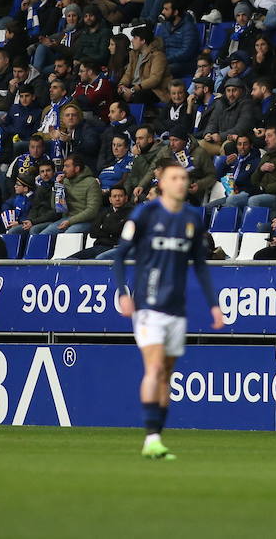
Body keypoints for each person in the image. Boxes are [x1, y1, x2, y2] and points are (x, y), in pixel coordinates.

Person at [113, 161, 224, 461]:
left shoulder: (192, 218)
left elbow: (199, 265)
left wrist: (214, 305)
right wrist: (124, 293)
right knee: (155, 368)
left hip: (177, 308)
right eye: (175, 177)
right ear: (161, 182)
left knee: (166, 376)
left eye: (184, 178)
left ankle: (156, 439)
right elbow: (120, 257)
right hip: (148, 306)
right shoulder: (145, 214)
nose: (180, 182)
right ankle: (149, 437)